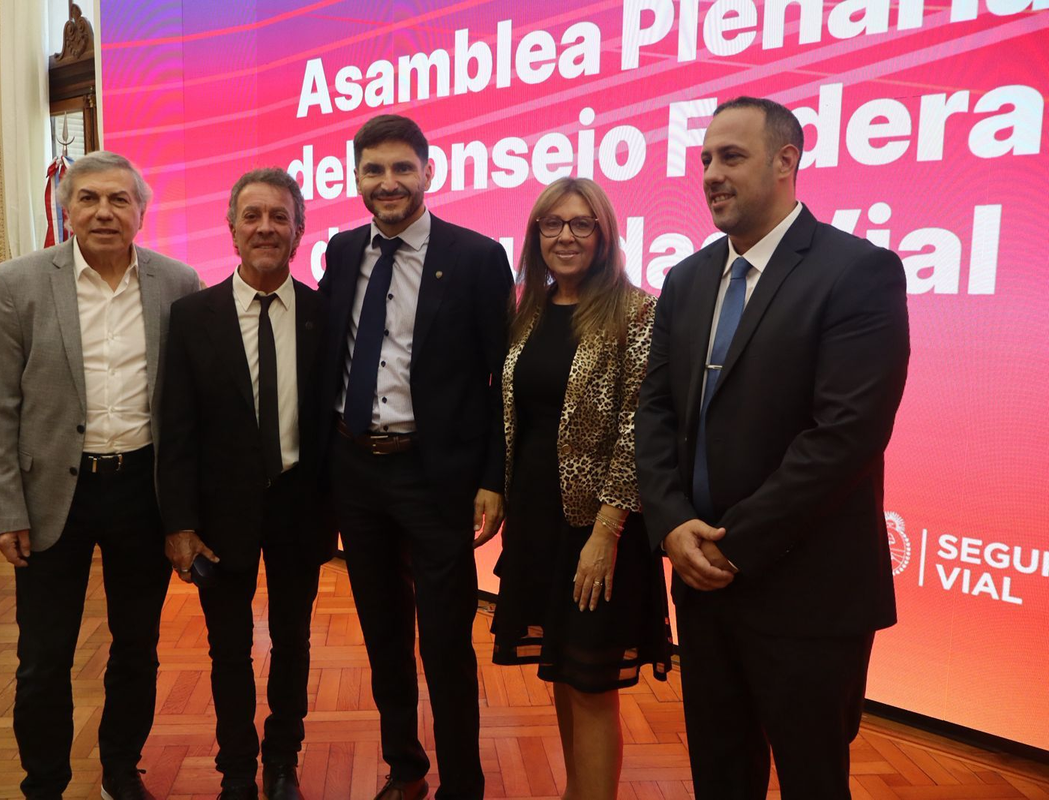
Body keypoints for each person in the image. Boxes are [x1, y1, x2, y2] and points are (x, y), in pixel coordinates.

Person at [634, 96, 910, 799]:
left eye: (732, 156)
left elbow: (845, 437)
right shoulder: (686, 279)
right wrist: (671, 527)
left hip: (805, 594)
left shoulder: (858, 273)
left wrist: (731, 544)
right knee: (721, 776)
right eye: (705, 160)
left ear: (787, 161)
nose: (711, 175)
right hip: (700, 583)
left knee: (814, 780)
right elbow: (656, 413)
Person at [0, 150, 201, 800]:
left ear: (140, 211)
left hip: (142, 492)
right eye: (90, 199)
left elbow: (188, 408)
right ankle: (43, 783)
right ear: (67, 209)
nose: (104, 212)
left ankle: (120, 774)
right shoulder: (18, 285)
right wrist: (5, 508)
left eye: (119, 200)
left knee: (136, 648)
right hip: (52, 498)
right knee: (43, 660)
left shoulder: (178, 283)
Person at [317, 114, 513, 800]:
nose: (388, 182)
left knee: (446, 642)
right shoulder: (341, 252)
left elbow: (502, 380)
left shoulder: (477, 257)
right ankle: (405, 765)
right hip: (356, 472)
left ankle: (464, 782)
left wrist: (495, 478)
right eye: (373, 170)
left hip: (436, 477)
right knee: (382, 632)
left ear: (429, 172)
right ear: (357, 178)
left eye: (402, 168)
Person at [488, 177, 672, 800]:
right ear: (535, 235)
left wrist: (606, 533)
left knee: (592, 683)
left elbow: (638, 430)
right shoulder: (528, 310)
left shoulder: (637, 311)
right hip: (538, 520)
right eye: (551, 224)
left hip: (599, 529)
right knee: (563, 675)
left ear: (604, 235)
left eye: (580, 224)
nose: (565, 236)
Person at [156, 168, 334, 800]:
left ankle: (282, 761)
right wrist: (178, 523)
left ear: (299, 230)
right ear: (231, 228)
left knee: (292, 642)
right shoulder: (191, 316)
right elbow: (174, 430)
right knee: (227, 649)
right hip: (218, 515)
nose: (266, 227)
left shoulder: (322, 315)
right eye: (252, 215)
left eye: (279, 216)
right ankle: (236, 768)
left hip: (297, 508)